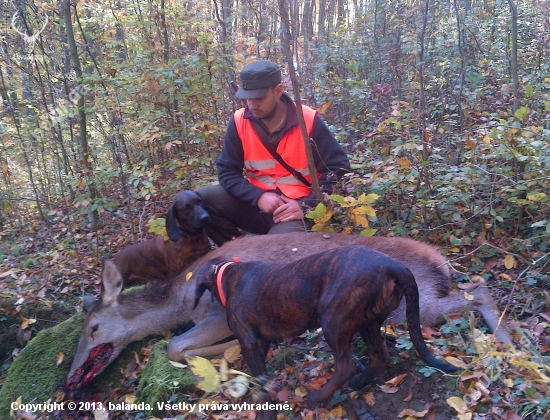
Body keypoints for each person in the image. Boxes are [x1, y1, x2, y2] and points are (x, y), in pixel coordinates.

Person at [196, 60, 350, 246]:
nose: (251, 105)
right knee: (201, 199)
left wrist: (307, 207)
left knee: (273, 249)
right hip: (258, 206)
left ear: (278, 91)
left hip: (296, 210)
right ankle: (234, 254)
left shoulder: (307, 120)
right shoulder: (239, 121)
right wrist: (258, 196)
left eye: (259, 98)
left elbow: (339, 169)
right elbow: (227, 171)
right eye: (247, 98)